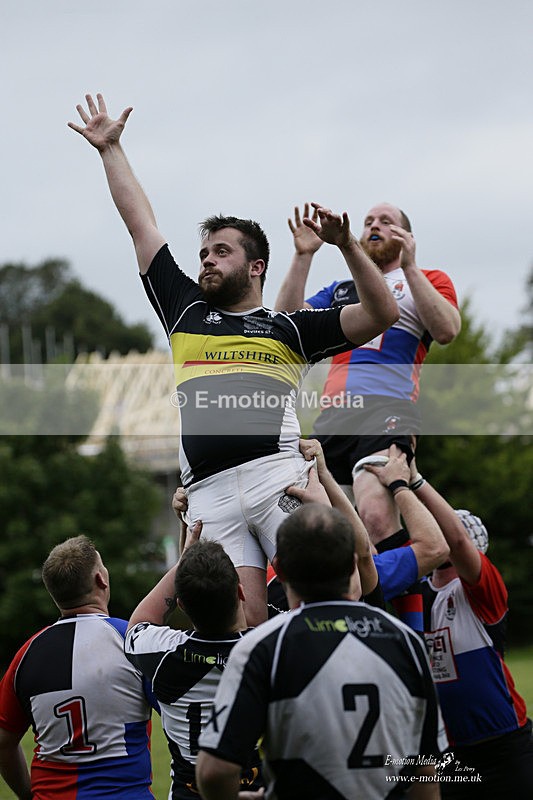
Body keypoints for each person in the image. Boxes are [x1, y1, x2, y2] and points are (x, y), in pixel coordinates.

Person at [68, 95, 399, 626]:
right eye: (204, 253)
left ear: (256, 266)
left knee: (334, 596)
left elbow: (381, 313)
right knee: (237, 629)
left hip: (278, 481)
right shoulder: (185, 311)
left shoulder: (291, 327)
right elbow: (143, 228)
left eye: (221, 251)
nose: (207, 260)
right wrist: (111, 149)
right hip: (209, 494)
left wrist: (347, 247)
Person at [196, 503, 447, 800]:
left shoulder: (262, 647)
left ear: (282, 570)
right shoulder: (407, 643)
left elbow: (214, 772)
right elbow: (427, 775)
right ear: (353, 563)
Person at [275, 202, 460, 550]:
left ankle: (400, 605)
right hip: (333, 417)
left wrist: (410, 267)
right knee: (329, 536)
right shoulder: (341, 289)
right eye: (368, 221)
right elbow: (285, 322)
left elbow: (447, 329)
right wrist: (302, 256)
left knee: (376, 515)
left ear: (407, 236)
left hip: (386, 410)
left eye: (386, 221)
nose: (374, 225)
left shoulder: (429, 279)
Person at [409, 462, 533, 798]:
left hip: (504, 742)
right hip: (447, 750)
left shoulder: (481, 589)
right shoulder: (414, 593)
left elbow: (459, 542)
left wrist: (412, 481)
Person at [0, 536, 155, 800]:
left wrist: (29, 794)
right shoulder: (131, 639)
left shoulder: (26, 654)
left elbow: (3, 742)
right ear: (101, 579)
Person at [124, 521, 264, 800]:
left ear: (182, 604)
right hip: (258, 790)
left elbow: (137, 624)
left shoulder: (163, 655)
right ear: (240, 591)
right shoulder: (268, 651)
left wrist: (184, 559)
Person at [267, 442, 449, 632]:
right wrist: (402, 484)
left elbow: (363, 553)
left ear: (281, 569)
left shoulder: (258, 595)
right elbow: (434, 548)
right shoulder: (357, 597)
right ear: (350, 562)